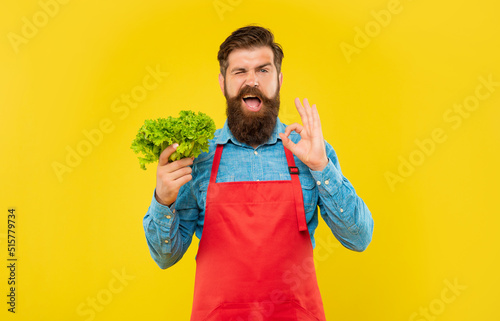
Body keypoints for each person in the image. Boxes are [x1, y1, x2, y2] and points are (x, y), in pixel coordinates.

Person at [143, 25, 374, 321]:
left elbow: (359, 238)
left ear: (278, 80)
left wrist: (321, 168)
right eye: (239, 72)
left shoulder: (310, 150)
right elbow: (165, 257)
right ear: (222, 82)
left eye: (263, 70)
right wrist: (163, 201)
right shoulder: (199, 158)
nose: (252, 81)